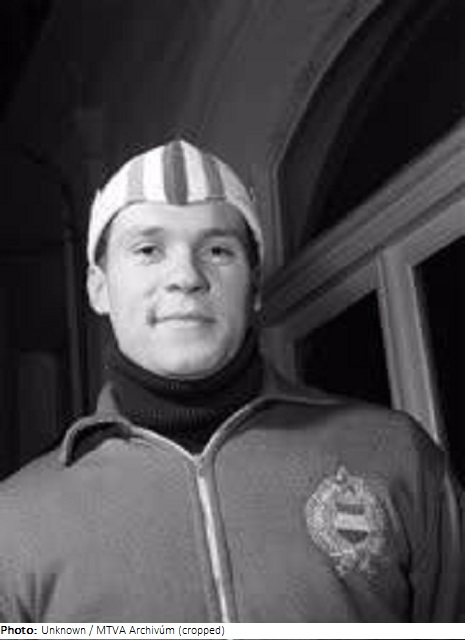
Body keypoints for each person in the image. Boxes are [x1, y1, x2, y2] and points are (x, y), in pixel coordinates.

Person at [0, 140, 463, 623]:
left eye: (218, 250)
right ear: (99, 288)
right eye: (148, 250)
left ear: (254, 286)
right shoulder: (13, 524)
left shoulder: (395, 455)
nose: (186, 276)